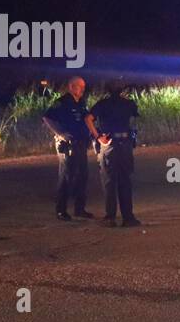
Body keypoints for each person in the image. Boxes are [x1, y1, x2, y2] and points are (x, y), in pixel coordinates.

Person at [42, 76, 97, 221]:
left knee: (82, 176)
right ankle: (61, 210)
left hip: (80, 143)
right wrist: (60, 133)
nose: (83, 89)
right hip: (68, 145)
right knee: (66, 176)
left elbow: (86, 119)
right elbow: (47, 117)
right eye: (80, 86)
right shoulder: (62, 102)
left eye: (84, 87)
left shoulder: (81, 103)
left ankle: (80, 209)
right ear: (72, 87)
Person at [90, 81, 140, 228]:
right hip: (125, 144)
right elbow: (135, 119)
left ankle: (110, 217)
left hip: (109, 144)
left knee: (109, 181)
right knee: (125, 180)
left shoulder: (102, 104)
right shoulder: (129, 103)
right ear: (122, 89)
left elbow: (88, 119)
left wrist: (98, 136)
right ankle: (128, 217)